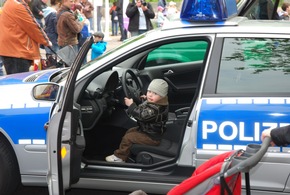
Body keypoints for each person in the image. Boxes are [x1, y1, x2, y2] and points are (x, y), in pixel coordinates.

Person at [106, 79, 169, 162]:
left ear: (161, 96)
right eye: (149, 91)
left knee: (128, 137)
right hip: (149, 130)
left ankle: (120, 157)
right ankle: (127, 151)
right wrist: (144, 99)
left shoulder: (156, 109)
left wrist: (131, 105)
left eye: (155, 93)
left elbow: (142, 115)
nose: (150, 95)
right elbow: (148, 106)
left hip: (152, 137)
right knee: (130, 131)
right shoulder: (158, 103)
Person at [0, 0, 51, 75]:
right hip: (18, 51)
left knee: (14, 81)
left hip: (11, 50)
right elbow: (33, 27)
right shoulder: (18, 5)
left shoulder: (10, 3)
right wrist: (47, 42)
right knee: (19, 82)